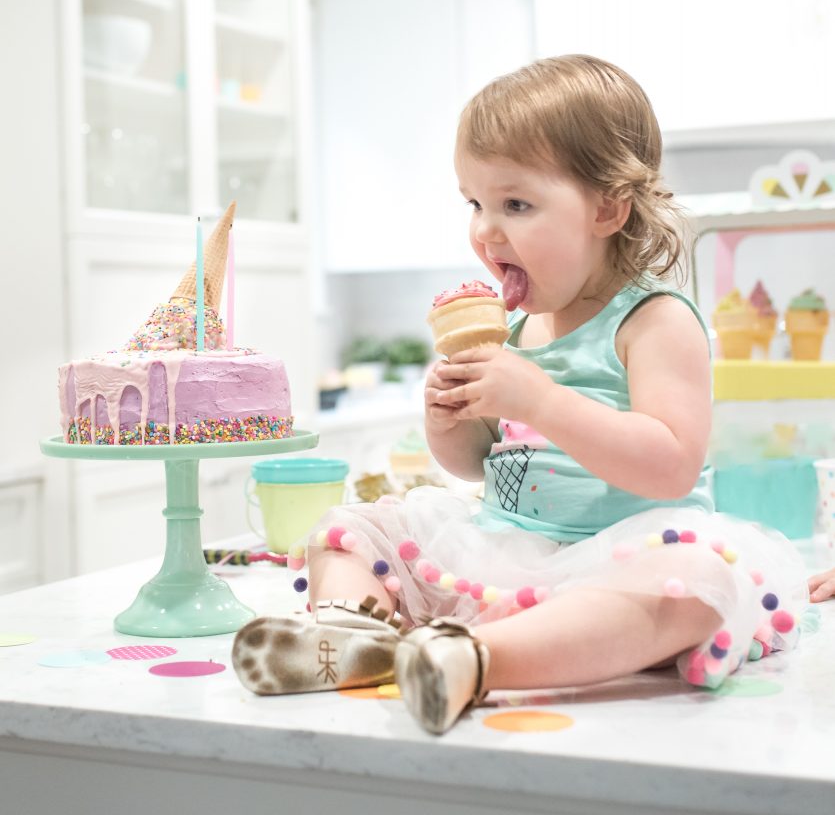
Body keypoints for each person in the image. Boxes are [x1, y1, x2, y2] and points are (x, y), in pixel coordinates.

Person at [231, 55, 809, 734]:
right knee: (352, 530)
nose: (484, 229)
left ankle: (472, 660)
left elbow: (671, 464)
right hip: (506, 552)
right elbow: (482, 467)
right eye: (474, 203)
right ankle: (350, 637)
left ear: (606, 207)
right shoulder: (513, 328)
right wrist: (449, 421)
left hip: (624, 556)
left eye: (515, 204)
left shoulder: (653, 320)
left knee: (695, 586)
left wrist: (539, 400)